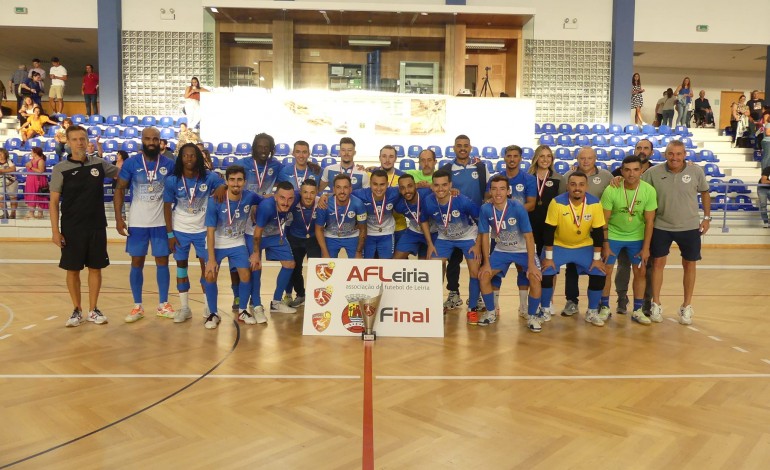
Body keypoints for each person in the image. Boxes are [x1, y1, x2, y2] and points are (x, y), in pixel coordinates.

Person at [49, 125, 119, 327]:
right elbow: (53, 202)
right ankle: (76, 309)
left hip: (96, 226)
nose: (80, 142)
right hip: (71, 228)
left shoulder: (100, 164)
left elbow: (122, 175)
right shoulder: (60, 169)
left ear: (87, 140)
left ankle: (93, 309)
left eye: (83, 138)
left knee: (95, 268)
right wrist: (55, 231)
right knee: (73, 270)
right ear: (68, 143)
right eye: (75, 139)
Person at [642, 140, 711, 325]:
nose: (675, 157)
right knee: (657, 264)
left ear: (685, 155)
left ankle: (686, 306)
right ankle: (656, 304)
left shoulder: (696, 171)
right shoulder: (652, 173)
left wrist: (707, 218)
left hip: (689, 227)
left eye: (679, 154)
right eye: (671, 154)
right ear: (665, 154)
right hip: (661, 226)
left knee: (690, 265)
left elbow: (705, 192)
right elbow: (636, 188)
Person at [114, 127, 177, 323]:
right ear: (142, 140)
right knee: (136, 262)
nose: (151, 141)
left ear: (160, 142)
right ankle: (137, 306)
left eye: (155, 139)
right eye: (148, 138)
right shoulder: (132, 163)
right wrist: (118, 217)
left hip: (161, 223)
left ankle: (163, 304)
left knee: (163, 262)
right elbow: (119, 189)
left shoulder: (170, 163)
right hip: (138, 222)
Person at [163, 143, 225, 322]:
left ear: (198, 157)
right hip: (180, 231)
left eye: (192, 155)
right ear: (180, 158)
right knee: (181, 269)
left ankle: (208, 306)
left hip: (203, 231)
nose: (189, 159)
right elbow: (166, 208)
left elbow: (223, 184)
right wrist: (170, 234)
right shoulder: (172, 180)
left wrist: (223, 186)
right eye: (185, 156)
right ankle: (184, 308)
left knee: (208, 270)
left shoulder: (209, 178)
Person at [540, 172, 607, 327]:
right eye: (573, 184)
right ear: (567, 186)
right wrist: (549, 257)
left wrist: (597, 259)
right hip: (559, 245)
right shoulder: (557, 202)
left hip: (583, 246)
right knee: (546, 271)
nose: (577, 188)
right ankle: (544, 309)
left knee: (599, 271)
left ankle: (591, 312)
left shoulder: (595, 203)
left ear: (587, 187)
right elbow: (549, 230)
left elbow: (598, 232)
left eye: (581, 184)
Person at [478, 175, 542, 330]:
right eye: (494, 189)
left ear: (508, 191)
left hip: (522, 250)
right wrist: (486, 263)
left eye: (502, 189)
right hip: (501, 250)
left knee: (534, 278)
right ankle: (491, 312)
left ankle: (532, 317)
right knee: (484, 276)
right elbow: (485, 237)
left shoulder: (517, 207)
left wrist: (532, 264)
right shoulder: (486, 209)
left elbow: (529, 236)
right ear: (490, 191)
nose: (498, 193)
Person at [599, 155, 657, 325]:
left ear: (641, 171)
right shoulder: (612, 189)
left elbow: (649, 222)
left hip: (637, 237)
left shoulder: (649, 191)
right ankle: (604, 307)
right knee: (606, 271)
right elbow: (604, 220)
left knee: (640, 272)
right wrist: (606, 244)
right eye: (627, 170)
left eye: (636, 170)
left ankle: (638, 310)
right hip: (614, 235)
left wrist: (646, 248)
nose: (631, 174)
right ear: (622, 171)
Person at [203, 165, 261, 329]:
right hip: (217, 242)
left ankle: (243, 310)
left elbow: (268, 199)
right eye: (232, 180)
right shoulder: (215, 200)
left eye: (239, 180)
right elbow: (210, 231)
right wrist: (211, 259)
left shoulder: (249, 196)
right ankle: (213, 313)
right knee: (210, 274)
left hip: (237, 242)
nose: (236, 184)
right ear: (226, 181)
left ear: (245, 181)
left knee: (245, 274)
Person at [423, 169, 482, 324]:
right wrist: (430, 243)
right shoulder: (429, 201)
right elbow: (423, 220)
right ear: (432, 186)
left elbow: (481, 222)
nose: (440, 189)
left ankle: (473, 308)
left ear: (450, 185)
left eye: (444, 185)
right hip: (444, 238)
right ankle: (435, 305)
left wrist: (478, 245)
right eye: (436, 185)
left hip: (468, 236)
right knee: (433, 268)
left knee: (474, 271)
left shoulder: (463, 201)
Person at [438, 135, 488, 312]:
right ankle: (453, 293)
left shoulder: (480, 167)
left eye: (466, 146)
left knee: (477, 260)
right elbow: (438, 188)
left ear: (470, 147)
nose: (462, 148)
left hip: (474, 223)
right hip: (452, 224)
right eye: (459, 146)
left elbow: (487, 191)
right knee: (453, 261)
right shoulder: (447, 168)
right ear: (454, 148)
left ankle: (477, 297)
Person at [561, 147, 613, 316]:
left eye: (589, 158)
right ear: (577, 159)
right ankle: (572, 301)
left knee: (598, 265)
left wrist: (618, 177)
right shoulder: (567, 177)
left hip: (597, 229)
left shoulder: (606, 176)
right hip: (574, 229)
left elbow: (618, 187)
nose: (585, 161)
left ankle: (596, 302)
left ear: (595, 158)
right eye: (582, 158)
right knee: (572, 267)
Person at [610, 139, 655, 314]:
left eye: (646, 148)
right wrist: (615, 178)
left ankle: (646, 302)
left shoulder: (657, 171)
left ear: (651, 151)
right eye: (639, 148)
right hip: (620, 230)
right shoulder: (620, 171)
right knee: (623, 265)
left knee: (646, 267)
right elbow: (612, 182)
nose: (642, 150)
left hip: (646, 228)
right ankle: (622, 298)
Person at [250, 181, 298, 317]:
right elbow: (257, 232)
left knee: (289, 264)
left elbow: (311, 194)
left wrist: (325, 197)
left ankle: (276, 303)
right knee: (256, 266)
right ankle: (255, 303)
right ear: (275, 197)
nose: (286, 202)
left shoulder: (295, 197)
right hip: (256, 235)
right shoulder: (267, 207)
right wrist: (255, 253)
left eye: (290, 199)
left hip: (275, 235)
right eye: (282, 198)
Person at [283, 179, 322, 308]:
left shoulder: (321, 202)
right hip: (295, 238)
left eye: (312, 193)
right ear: (300, 192)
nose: (308, 196)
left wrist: (326, 196)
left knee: (316, 269)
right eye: (305, 192)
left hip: (313, 239)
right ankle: (301, 295)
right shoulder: (293, 202)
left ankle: (315, 296)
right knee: (295, 268)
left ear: (317, 192)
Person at [352, 169, 402, 258]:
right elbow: (343, 193)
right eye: (375, 184)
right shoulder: (360, 194)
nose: (378, 188)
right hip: (367, 234)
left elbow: (412, 188)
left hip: (387, 233)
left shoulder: (394, 192)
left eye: (382, 184)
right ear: (370, 184)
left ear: (387, 184)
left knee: (386, 264)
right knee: (366, 263)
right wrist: (325, 196)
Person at [315, 173, 367, 258]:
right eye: (338, 187)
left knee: (357, 264)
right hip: (330, 236)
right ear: (334, 189)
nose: (342, 191)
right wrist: (325, 252)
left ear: (350, 189)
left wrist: (359, 251)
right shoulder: (324, 204)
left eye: (345, 187)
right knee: (328, 266)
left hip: (352, 236)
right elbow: (319, 229)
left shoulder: (358, 204)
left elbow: (363, 229)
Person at [527, 144, 565, 256]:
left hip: (550, 224)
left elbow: (563, 205)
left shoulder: (559, 179)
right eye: (541, 156)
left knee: (549, 260)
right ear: (536, 158)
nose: (545, 159)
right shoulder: (527, 178)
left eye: (548, 156)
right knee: (531, 259)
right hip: (530, 223)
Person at [393, 173, 436, 260]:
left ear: (416, 185)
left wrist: (452, 191)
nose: (407, 191)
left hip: (434, 232)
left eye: (410, 186)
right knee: (396, 260)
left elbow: (443, 192)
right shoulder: (399, 205)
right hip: (414, 232)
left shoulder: (428, 194)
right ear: (399, 190)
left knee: (436, 264)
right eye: (402, 188)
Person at [23, 146, 49, 219]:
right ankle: (31, 213)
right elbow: (27, 165)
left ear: (35, 153)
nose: (31, 153)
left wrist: (31, 167)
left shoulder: (41, 160)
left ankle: (40, 214)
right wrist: (28, 165)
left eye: (32, 151)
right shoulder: (32, 160)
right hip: (30, 180)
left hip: (38, 180)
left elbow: (41, 171)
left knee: (40, 196)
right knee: (31, 195)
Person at [0, 149, 19, 219]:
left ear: (5, 154)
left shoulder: (9, 161)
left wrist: (2, 171)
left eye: (1, 154)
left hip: (11, 182)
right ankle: (5, 213)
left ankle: (13, 214)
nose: (0, 156)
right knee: (0, 199)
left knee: (13, 197)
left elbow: (13, 169)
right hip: (1, 182)